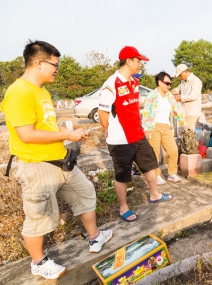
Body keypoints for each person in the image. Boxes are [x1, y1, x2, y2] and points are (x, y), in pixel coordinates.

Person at [1, 40, 112, 280]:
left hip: (60, 161)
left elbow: (48, 125)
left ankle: (95, 237)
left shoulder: (42, 91)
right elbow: (26, 134)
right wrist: (67, 134)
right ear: (39, 62)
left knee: (84, 193)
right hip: (36, 165)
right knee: (40, 215)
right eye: (55, 65)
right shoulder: (19, 92)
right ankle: (38, 262)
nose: (56, 70)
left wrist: (67, 130)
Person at [98, 46, 174, 223]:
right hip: (120, 140)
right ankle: (123, 207)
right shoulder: (111, 84)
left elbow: (133, 106)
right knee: (122, 175)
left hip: (138, 135)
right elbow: (103, 112)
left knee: (150, 165)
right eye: (138, 60)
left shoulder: (133, 82)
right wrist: (107, 130)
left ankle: (155, 194)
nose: (140, 64)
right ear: (129, 60)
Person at [142, 71, 186, 184]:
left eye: (170, 84)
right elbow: (146, 112)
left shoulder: (170, 96)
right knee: (155, 152)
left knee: (173, 150)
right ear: (159, 82)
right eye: (167, 83)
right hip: (154, 127)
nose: (169, 86)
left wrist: (184, 123)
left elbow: (177, 109)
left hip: (166, 127)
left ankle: (172, 173)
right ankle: (156, 175)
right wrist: (146, 129)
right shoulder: (152, 95)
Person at [171, 64, 203, 131]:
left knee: (189, 133)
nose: (180, 77)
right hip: (184, 112)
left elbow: (193, 96)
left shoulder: (195, 81)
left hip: (192, 112)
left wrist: (180, 98)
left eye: (180, 75)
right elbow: (177, 89)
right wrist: (173, 91)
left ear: (185, 71)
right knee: (185, 133)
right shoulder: (183, 82)